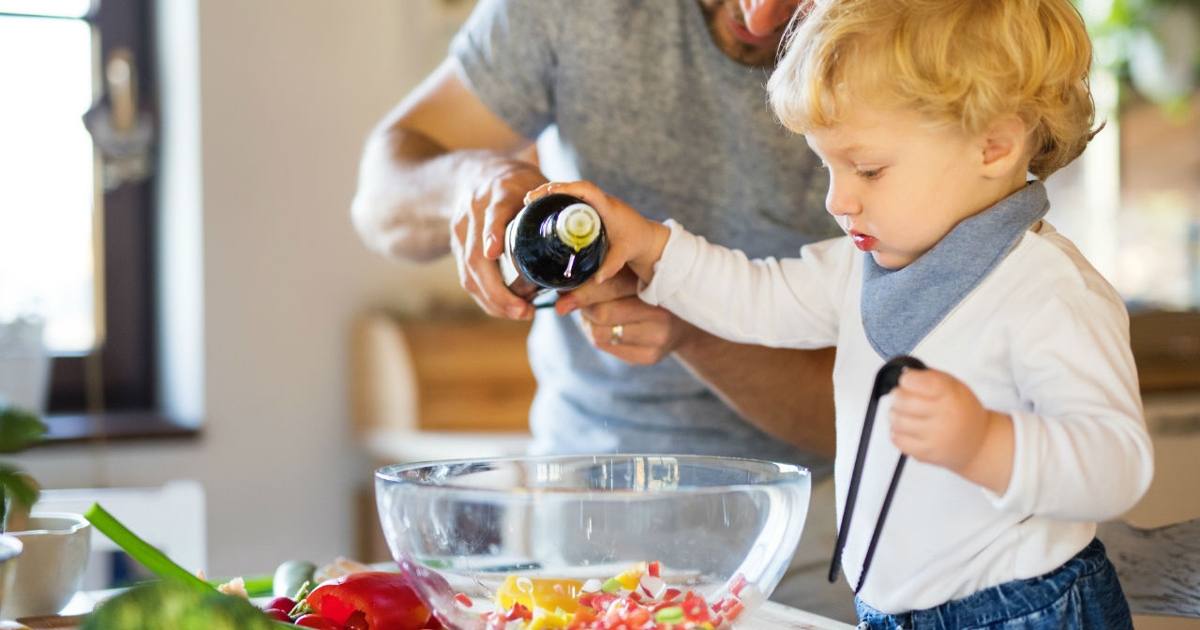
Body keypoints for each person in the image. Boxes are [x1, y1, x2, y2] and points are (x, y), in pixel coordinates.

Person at [524, 0, 1157, 627]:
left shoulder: (1048, 293)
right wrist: (649, 245)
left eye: (868, 169)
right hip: (889, 611)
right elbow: (756, 299)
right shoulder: (857, 267)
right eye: (826, 165)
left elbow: (1117, 464)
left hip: (1027, 611)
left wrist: (987, 444)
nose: (837, 198)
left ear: (994, 145)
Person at [349, 0, 859, 621]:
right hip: (580, 513)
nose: (758, 17)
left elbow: (861, 416)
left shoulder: (899, 40)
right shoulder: (568, 12)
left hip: (804, 531)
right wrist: (469, 183)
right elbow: (379, 199)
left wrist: (694, 332)